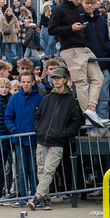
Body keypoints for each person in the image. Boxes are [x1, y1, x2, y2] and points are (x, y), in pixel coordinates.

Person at [47, 0, 107, 129]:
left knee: (99, 77)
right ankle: (88, 113)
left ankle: (91, 111)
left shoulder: (80, 7)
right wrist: (70, 28)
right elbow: (51, 30)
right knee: (81, 82)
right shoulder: (59, 9)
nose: (80, 2)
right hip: (70, 49)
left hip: (83, 47)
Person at [27, 66, 83, 210]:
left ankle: (37, 197)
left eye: (58, 78)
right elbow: (38, 116)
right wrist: (39, 130)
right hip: (43, 139)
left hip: (57, 141)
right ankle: (45, 199)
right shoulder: (47, 98)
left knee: (48, 170)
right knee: (41, 170)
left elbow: (76, 122)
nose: (56, 80)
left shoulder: (70, 101)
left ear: (65, 80)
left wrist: (64, 134)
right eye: (54, 78)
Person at [5, 70, 45, 205]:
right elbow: (8, 116)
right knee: (22, 168)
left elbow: (44, 118)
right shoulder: (14, 98)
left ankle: (34, 195)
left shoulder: (40, 98)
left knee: (34, 167)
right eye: (23, 82)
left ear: (33, 82)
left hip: (34, 139)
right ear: (20, 82)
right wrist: (13, 130)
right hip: (19, 138)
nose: (26, 84)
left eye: (28, 82)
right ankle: (22, 196)